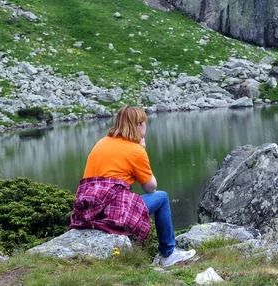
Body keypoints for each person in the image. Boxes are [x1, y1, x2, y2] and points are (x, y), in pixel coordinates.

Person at [69, 105, 196, 267]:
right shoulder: (135, 150)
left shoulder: (101, 142)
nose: (146, 127)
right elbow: (150, 188)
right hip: (111, 213)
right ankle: (168, 254)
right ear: (138, 125)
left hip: (87, 210)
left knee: (129, 198)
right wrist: (142, 150)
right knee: (162, 197)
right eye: (144, 123)